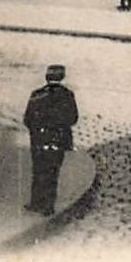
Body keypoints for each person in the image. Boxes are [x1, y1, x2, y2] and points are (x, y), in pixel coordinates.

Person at [22, 65, 79, 216]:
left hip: (39, 139)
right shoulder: (68, 95)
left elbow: (27, 119)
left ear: (46, 77)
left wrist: (37, 130)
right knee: (53, 172)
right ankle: (48, 205)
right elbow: (73, 118)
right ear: (62, 77)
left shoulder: (37, 94)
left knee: (38, 170)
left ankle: (36, 202)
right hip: (58, 139)